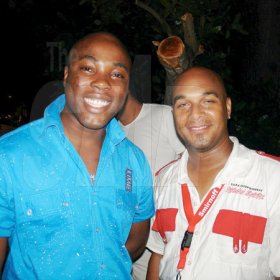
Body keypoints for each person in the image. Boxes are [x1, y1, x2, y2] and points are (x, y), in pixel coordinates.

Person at [0, 32, 155, 279]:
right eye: (88, 68)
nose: (103, 82)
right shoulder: (10, 155)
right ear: (66, 75)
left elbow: (135, 240)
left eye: (117, 74)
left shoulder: (135, 161)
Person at [146, 66, 280, 280]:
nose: (195, 114)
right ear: (173, 115)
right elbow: (159, 254)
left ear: (227, 108)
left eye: (207, 101)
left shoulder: (273, 179)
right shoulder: (163, 179)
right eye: (183, 104)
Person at [118, 91, 185, 279]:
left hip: (166, 238)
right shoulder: (109, 132)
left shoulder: (164, 116)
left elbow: (191, 162)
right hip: (131, 239)